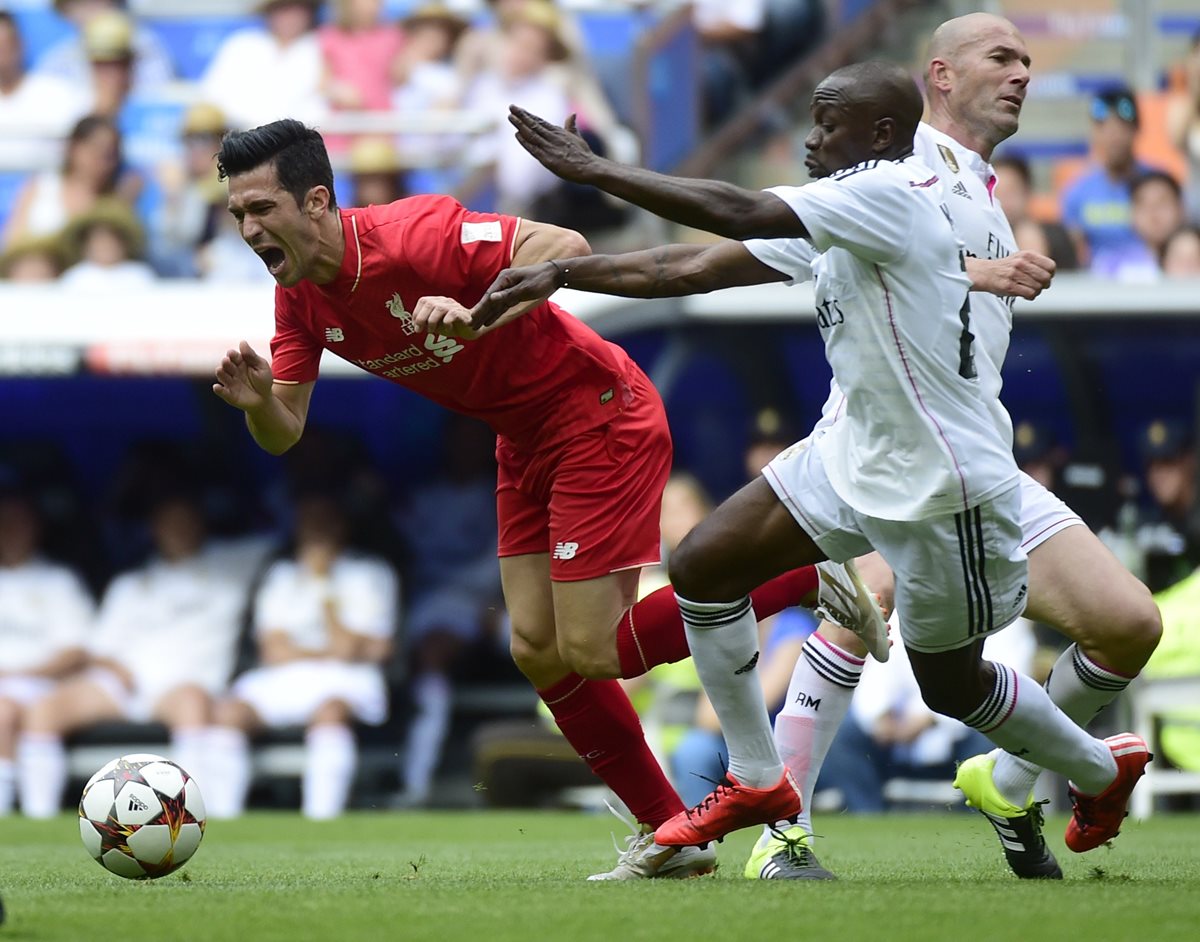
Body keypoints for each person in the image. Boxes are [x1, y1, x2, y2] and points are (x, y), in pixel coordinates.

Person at [470, 57, 1152, 866]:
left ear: (885, 135)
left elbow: (737, 207)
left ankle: (1094, 766)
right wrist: (559, 273)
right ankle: (760, 782)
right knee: (704, 564)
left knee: (950, 684)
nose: (811, 138)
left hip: (937, 479)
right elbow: (683, 266)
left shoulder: (889, 196)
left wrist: (597, 171)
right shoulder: (845, 209)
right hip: (851, 452)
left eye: (829, 124)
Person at [208, 117, 874, 879]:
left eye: (261, 209)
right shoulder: (298, 299)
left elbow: (566, 249)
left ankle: (798, 570)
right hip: (521, 439)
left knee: (594, 649)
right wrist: (260, 402)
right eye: (237, 215)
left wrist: (478, 308)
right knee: (537, 648)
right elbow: (286, 430)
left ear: (317, 200)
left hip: (596, 411)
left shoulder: (415, 233)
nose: (248, 227)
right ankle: (668, 834)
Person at [16, 486, 261, 818]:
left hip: (184, 685)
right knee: (44, 709)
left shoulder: (233, 564)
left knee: (192, 703)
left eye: (186, 521)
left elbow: (296, 534)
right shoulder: (130, 584)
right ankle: (37, 819)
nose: (179, 529)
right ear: (154, 529)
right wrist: (115, 668)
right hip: (122, 683)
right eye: (168, 522)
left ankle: (189, 816)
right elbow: (98, 650)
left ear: (201, 523)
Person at [204, 491, 399, 820]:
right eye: (309, 522)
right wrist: (328, 650)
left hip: (349, 678)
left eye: (325, 522)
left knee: (331, 712)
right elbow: (273, 650)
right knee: (228, 714)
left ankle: (320, 822)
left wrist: (324, 585)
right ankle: (223, 821)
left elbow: (348, 649)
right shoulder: (281, 575)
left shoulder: (371, 572)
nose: (316, 530)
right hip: (287, 676)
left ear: (342, 525)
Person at [0, 484, 93, 816]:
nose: (11, 530)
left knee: (5, 710)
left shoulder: (58, 580)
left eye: (19, 521)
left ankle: (25, 812)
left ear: (36, 526)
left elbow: (74, 651)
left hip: (41, 685)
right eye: (4, 521)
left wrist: (15, 674)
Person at [1061, 85, 1168, 275]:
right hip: (1098, 287)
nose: (1113, 136)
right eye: (1104, 127)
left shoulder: (1159, 186)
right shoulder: (1077, 191)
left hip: (1153, 282)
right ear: (1094, 133)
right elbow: (1071, 251)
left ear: (1137, 129)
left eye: (1121, 127)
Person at [2, 113, 138, 250]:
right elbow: (13, 241)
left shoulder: (113, 203)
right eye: (94, 149)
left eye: (109, 154)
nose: (100, 160)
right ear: (73, 148)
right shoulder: (41, 187)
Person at [200, 0, 326, 132]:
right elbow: (212, 97)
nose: (290, 16)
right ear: (269, 11)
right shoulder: (242, 44)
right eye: (282, 8)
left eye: (299, 8)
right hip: (240, 137)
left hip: (303, 140)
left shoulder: (321, 46)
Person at [991, 154, 1078, 270]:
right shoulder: (979, 239)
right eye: (997, 193)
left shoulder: (1058, 236)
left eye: (1011, 192)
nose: (1004, 201)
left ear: (1027, 191)